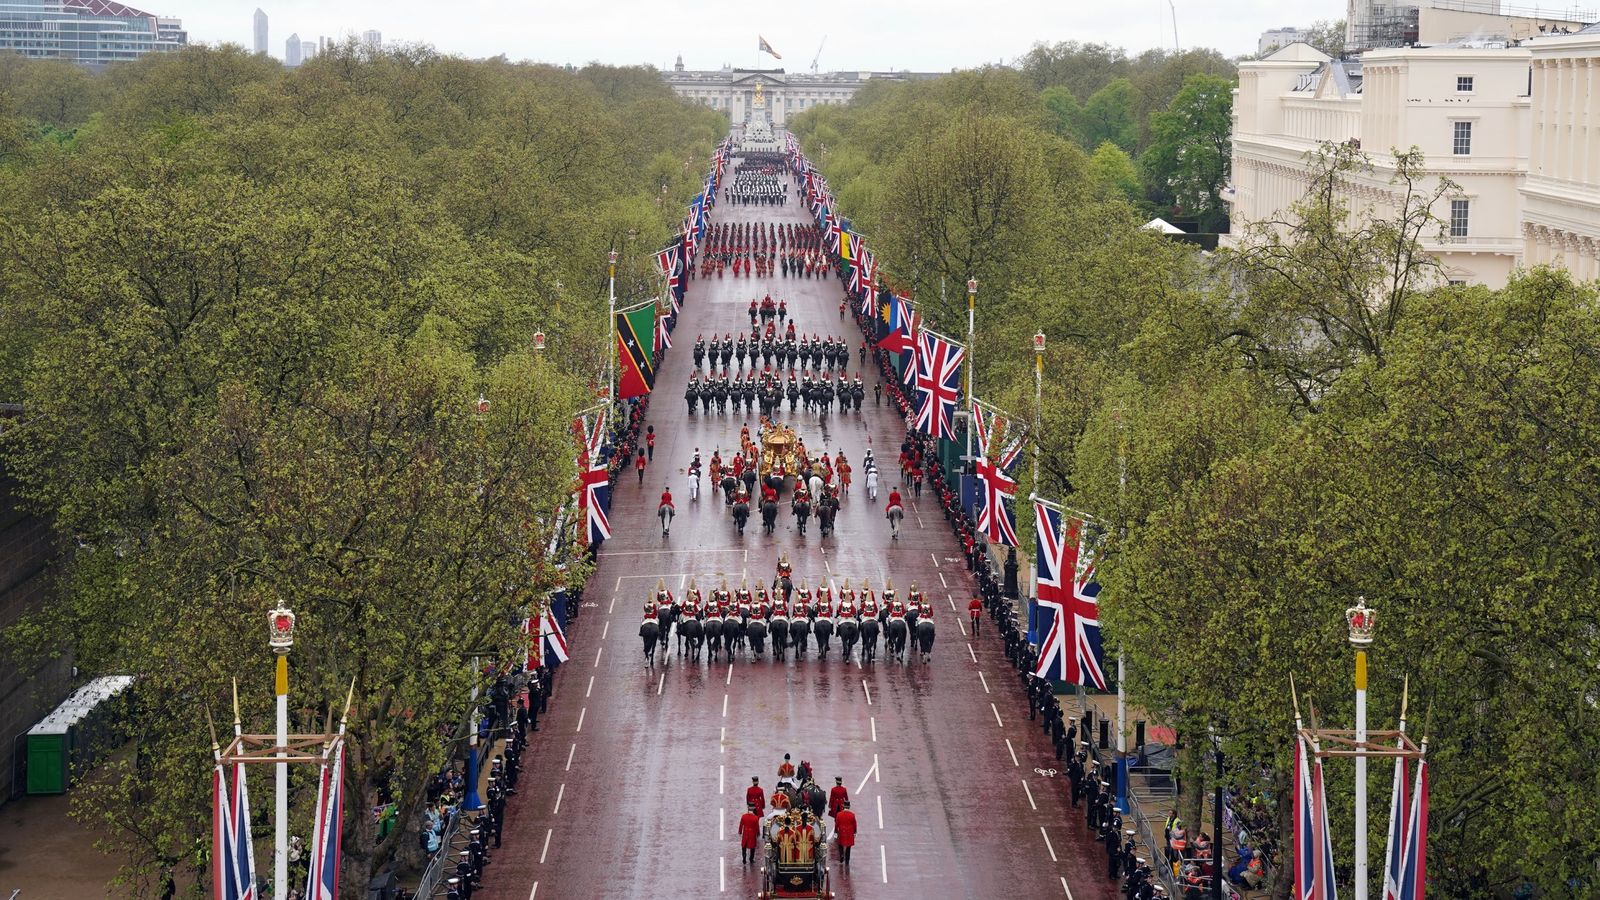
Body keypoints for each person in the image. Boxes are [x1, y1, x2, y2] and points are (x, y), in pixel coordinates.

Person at [834, 800, 857, 866]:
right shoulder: (852, 815)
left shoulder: (839, 814)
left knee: (840, 844)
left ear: (843, 806)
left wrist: (836, 831)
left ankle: (841, 855)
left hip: (841, 831)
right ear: (849, 807)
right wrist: (855, 832)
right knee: (848, 847)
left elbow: (837, 824)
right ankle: (847, 860)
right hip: (849, 832)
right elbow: (854, 824)